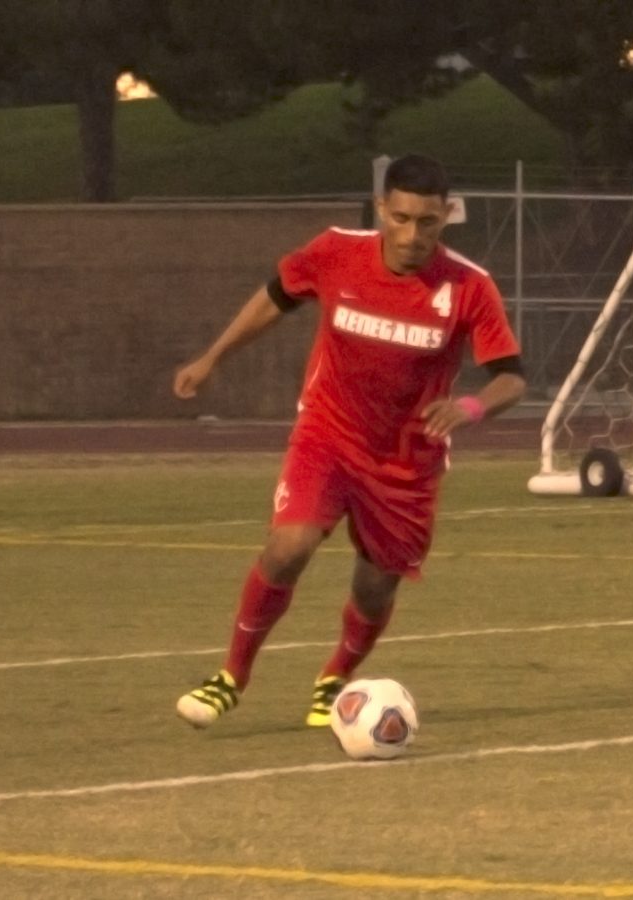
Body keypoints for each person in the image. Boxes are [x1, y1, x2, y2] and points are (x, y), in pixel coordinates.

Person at [173, 153, 526, 729]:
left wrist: (469, 406)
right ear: (383, 209)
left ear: (446, 218)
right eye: (403, 218)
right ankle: (231, 676)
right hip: (328, 434)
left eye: (429, 223)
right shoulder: (336, 252)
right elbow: (273, 298)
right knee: (289, 547)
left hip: (407, 463)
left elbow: (511, 376)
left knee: (373, 588)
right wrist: (213, 357)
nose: (414, 235)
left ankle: (334, 677)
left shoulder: (469, 287)